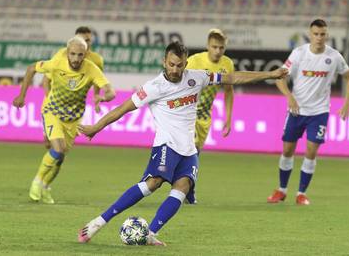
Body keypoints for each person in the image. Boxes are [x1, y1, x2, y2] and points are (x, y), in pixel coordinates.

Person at [77, 41, 287, 246]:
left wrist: (270, 74)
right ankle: (99, 222)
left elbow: (232, 77)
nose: (175, 69)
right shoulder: (154, 87)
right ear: (164, 62)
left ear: (186, 64)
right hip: (166, 144)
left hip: (188, 148)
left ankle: (150, 233)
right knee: (154, 183)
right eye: (171, 64)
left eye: (179, 65)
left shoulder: (198, 77)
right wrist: (96, 127)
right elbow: (122, 109)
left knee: (182, 187)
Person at [12, 36, 115, 204]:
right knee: (58, 149)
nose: (76, 59)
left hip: (73, 119)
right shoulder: (56, 63)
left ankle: (45, 186)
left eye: (80, 55)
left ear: (85, 54)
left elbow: (111, 91)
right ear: (67, 52)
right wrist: (22, 96)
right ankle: (37, 181)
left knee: (60, 158)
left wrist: (103, 98)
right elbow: (31, 69)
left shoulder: (92, 69)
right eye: (72, 54)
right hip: (52, 111)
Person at [266, 19, 349, 205]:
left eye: (322, 34)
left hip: (319, 112)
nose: (319, 38)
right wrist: (289, 96)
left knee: (311, 151)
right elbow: (279, 77)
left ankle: (301, 194)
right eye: (316, 34)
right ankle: (282, 190)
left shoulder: (334, 57)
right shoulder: (299, 54)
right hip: (297, 110)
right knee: (288, 150)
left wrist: (347, 103)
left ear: (327, 35)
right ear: (310, 34)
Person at [185, 29, 234, 204]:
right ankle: (186, 190)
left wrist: (228, 118)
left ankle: (188, 188)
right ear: (208, 46)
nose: (218, 51)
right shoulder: (195, 61)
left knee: (195, 154)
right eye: (214, 47)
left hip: (205, 116)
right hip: (187, 113)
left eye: (221, 48)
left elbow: (229, 92)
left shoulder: (227, 64)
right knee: (188, 151)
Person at [42, 26, 105, 149]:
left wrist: (97, 96)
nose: (86, 43)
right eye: (83, 40)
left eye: (88, 40)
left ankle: (55, 162)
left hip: (73, 108)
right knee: (48, 143)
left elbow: (98, 81)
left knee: (63, 147)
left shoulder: (96, 60)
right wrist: (51, 100)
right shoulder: (61, 55)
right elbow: (46, 80)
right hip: (53, 104)